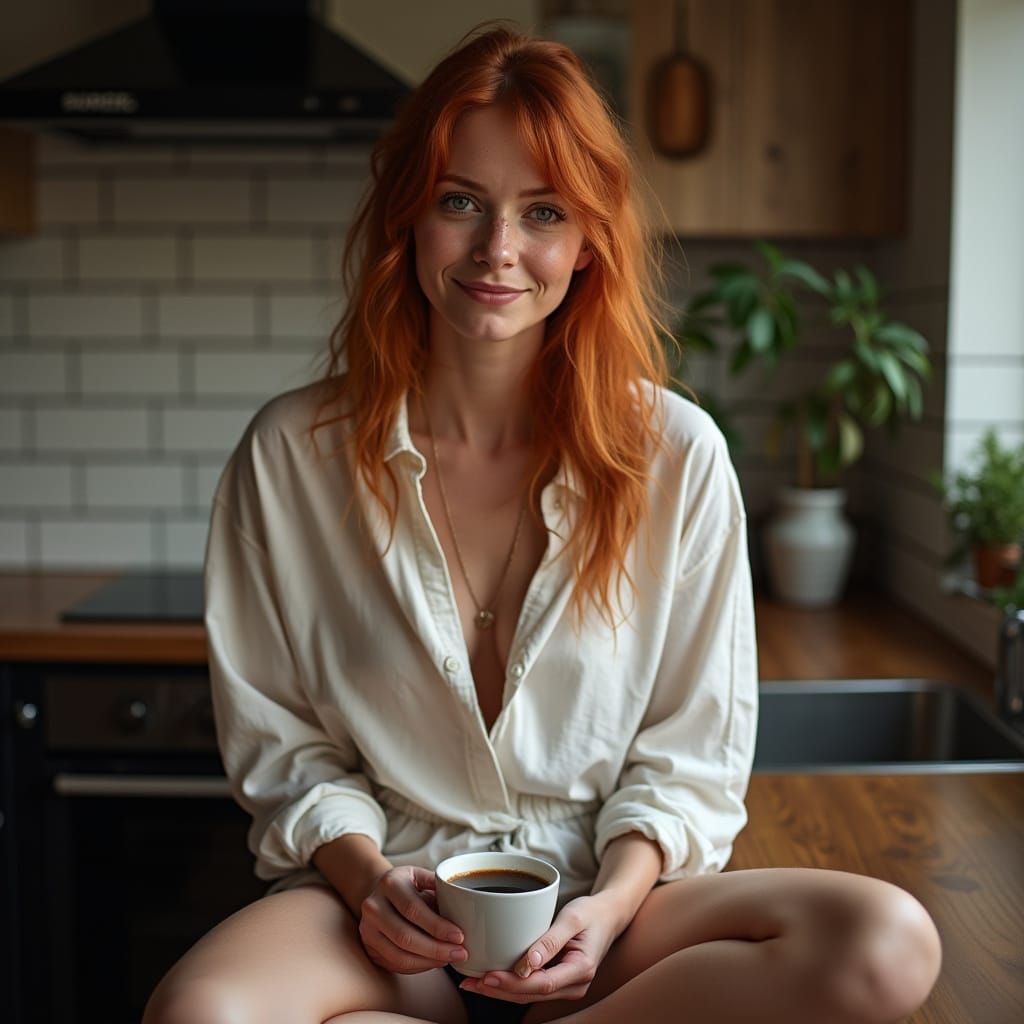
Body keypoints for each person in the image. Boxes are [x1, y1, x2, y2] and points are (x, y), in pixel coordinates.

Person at [143, 24, 941, 1024]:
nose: (498, 251)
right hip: (389, 909)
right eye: (461, 202)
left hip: (610, 915)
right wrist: (368, 883)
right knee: (199, 1015)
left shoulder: (676, 456)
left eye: (544, 211)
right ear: (409, 217)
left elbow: (685, 758)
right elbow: (287, 751)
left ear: (587, 241)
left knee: (885, 942)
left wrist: (605, 910)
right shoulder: (289, 456)